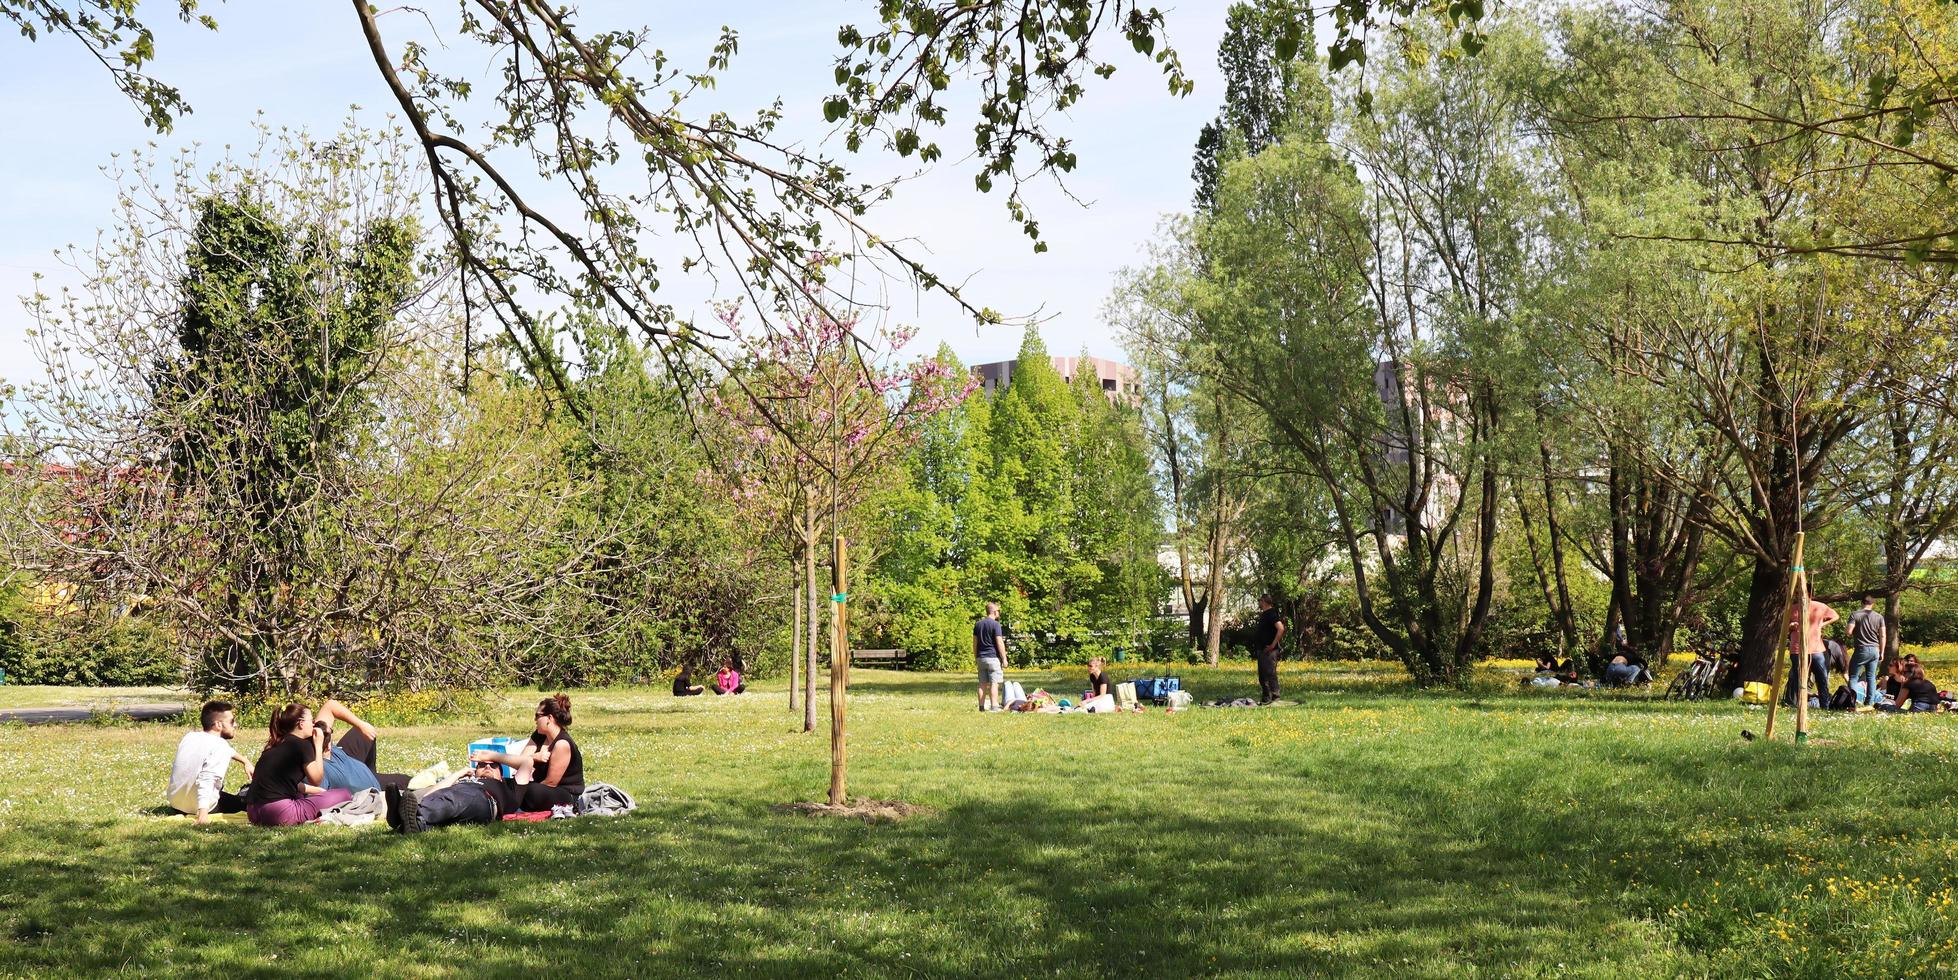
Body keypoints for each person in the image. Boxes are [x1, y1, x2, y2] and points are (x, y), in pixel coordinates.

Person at [469, 694, 585, 812]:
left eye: (537, 716)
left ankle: (507, 801)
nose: (535, 720)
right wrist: (535, 757)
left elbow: (551, 783)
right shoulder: (539, 735)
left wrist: (523, 788)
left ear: (549, 718)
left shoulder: (562, 744)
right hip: (539, 786)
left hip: (564, 793)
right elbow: (521, 762)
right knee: (503, 783)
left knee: (529, 791)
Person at [247, 702, 353, 827]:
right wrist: (318, 745)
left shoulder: (275, 744)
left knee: (300, 794)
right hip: (277, 814)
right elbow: (316, 779)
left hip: (253, 812)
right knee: (344, 794)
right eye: (311, 721)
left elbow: (286, 784)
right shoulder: (302, 745)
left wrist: (319, 791)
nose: (314, 724)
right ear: (301, 724)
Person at [166, 700, 254, 824]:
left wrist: (245, 761)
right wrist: (203, 815)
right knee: (246, 802)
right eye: (232, 721)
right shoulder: (220, 745)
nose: (236, 725)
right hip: (202, 806)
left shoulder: (190, 737)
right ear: (218, 725)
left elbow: (229, 751)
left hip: (176, 804)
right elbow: (207, 779)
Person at [387, 759, 521, 832]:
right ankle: (413, 825)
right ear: (474, 771)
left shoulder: (505, 786)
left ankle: (400, 816)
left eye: (493, 765)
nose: (487, 767)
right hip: (459, 795)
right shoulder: (462, 781)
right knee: (444, 801)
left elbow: (527, 763)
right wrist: (458, 774)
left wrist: (493, 754)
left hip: (483, 799)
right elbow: (430, 794)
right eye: (482, 765)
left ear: (501, 776)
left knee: (453, 800)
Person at [312, 698, 409, 793]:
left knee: (364, 732)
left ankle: (369, 770)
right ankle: (371, 778)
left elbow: (330, 706)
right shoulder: (312, 763)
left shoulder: (313, 731)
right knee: (407, 782)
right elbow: (318, 793)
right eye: (310, 720)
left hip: (344, 758)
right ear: (301, 724)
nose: (313, 722)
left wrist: (361, 725)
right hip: (359, 782)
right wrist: (320, 749)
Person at [1786, 597, 1839, 708]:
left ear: (1809, 593)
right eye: (1796, 593)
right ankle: (1798, 704)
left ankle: (1825, 705)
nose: (1798, 595)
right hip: (1797, 649)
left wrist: (1822, 625)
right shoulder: (1793, 608)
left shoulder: (1819, 606)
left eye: (1798, 592)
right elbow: (1785, 627)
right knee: (1797, 678)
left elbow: (1835, 616)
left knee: (1822, 678)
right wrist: (1790, 626)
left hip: (1816, 649)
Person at [1847, 596, 1887, 706]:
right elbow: (1883, 635)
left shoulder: (1855, 615)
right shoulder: (1879, 617)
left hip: (1861, 649)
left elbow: (1849, 631)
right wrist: (1882, 652)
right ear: (1873, 604)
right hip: (1875, 649)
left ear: (1862, 602)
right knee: (1871, 677)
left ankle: (1852, 702)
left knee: (1854, 677)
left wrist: (1857, 631)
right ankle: (1869, 703)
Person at [973, 601, 1007, 712]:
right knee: (994, 682)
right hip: (992, 658)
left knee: (982, 683)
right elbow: (999, 642)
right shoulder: (995, 625)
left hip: (980, 658)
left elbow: (975, 643)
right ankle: (994, 706)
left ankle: (981, 707)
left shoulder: (978, 624)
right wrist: (1004, 658)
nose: (999, 613)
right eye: (998, 611)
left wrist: (976, 657)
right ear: (994, 612)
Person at [1253, 594, 1286, 704]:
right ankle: (1266, 697)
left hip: (1269, 651)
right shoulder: (1265, 614)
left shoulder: (1271, 614)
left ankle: (1275, 697)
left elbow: (1280, 629)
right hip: (1262, 650)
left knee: (1269, 674)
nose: (1259, 602)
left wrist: (1272, 645)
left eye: (1260, 600)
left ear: (1264, 601)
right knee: (1262, 675)